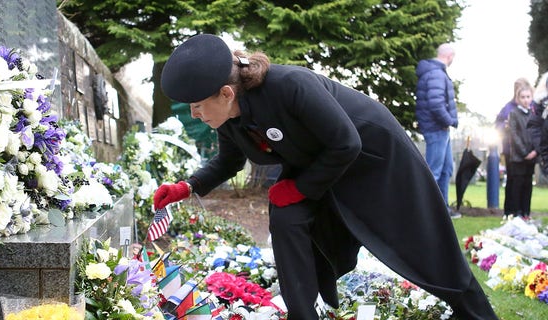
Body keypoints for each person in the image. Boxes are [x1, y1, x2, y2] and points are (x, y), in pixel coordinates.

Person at [152, 34, 498, 319]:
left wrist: (301, 188)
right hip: (321, 166)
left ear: (226, 93)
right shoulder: (228, 116)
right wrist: (188, 186)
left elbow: (347, 143)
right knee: (286, 218)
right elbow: (229, 161)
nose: (195, 115)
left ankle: (475, 313)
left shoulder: (292, 85)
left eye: (197, 106)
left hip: (376, 162)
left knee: (423, 243)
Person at [414, 43, 460, 218]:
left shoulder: (435, 73)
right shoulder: (436, 74)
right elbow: (436, 104)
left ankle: (442, 211)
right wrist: (449, 121)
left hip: (440, 129)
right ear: (449, 56)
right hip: (437, 129)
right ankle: (424, 213)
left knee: (446, 169)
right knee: (434, 171)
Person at [504, 84, 537, 219]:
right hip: (518, 158)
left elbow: (537, 134)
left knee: (527, 186)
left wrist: (535, 151)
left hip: (532, 156)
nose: (525, 100)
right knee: (517, 186)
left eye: (528, 97)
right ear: (517, 99)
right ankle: (516, 212)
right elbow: (514, 135)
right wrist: (525, 153)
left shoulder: (534, 115)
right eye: (522, 97)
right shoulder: (514, 114)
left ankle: (526, 213)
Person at [495, 78, 535, 188]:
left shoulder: (532, 108)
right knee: (513, 182)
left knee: (526, 183)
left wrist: (534, 150)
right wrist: (506, 125)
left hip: (529, 151)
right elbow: (498, 124)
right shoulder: (508, 108)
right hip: (511, 150)